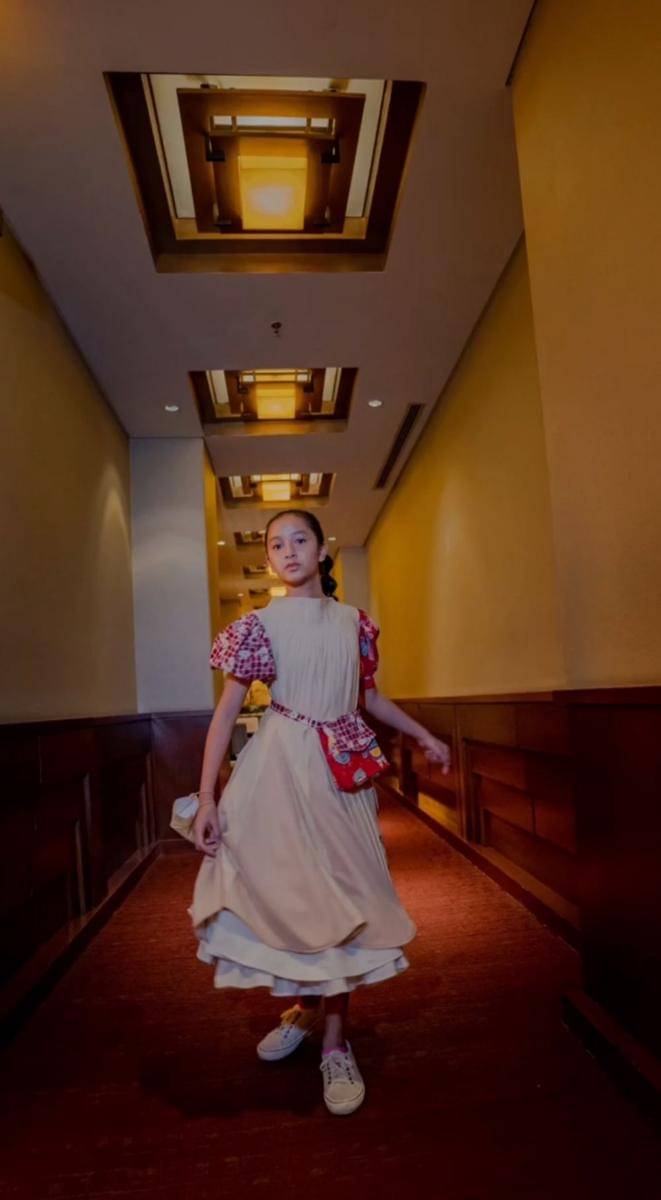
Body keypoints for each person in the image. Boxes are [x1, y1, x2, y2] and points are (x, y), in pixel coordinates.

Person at [190, 509, 451, 1116]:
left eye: (299, 539)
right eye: (275, 544)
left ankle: (336, 1043)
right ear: (269, 558)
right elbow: (225, 714)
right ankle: (307, 1013)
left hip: (339, 774)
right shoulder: (258, 625)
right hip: (278, 771)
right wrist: (206, 796)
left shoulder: (354, 623)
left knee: (346, 898)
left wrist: (423, 735)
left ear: (321, 549)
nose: (287, 550)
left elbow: (371, 699)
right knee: (294, 894)